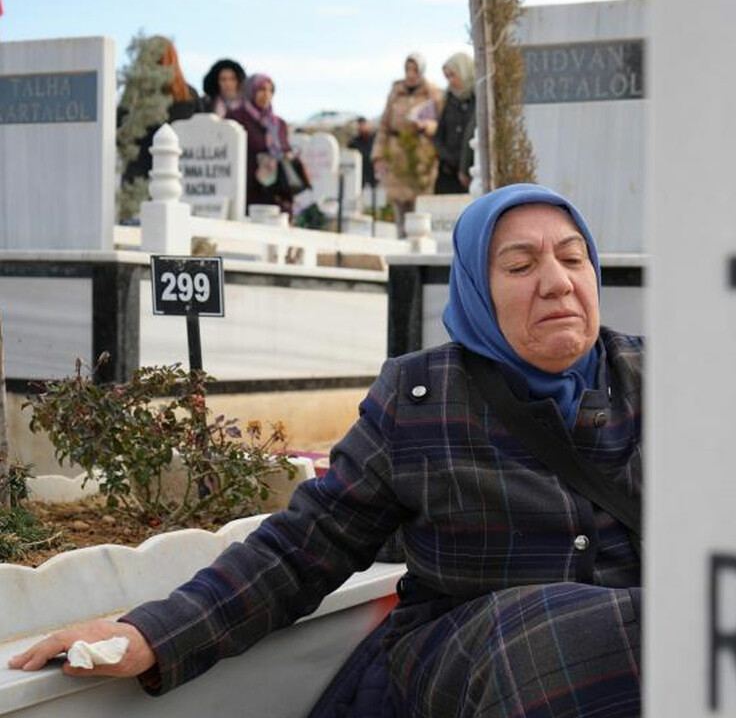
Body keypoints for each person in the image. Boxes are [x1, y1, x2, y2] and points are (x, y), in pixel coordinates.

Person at [8, 184, 644, 718]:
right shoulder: (422, 397)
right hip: (476, 649)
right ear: (477, 287)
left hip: (634, 653)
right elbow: (303, 547)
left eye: (573, 258)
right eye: (521, 265)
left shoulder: (656, 376)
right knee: (556, 638)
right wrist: (151, 631)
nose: (558, 283)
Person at [372, 53, 444, 236]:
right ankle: (401, 237)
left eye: (414, 70)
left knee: (420, 203)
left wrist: (426, 126)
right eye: (407, 70)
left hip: (421, 154)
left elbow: (442, 125)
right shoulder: (396, 93)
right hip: (397, 154)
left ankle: (420, 241)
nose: (410, 74)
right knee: (399, 202)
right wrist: (378, 155)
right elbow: (384, 126)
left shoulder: (432, 92)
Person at [119, 37, 203, 186]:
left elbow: (121, 131)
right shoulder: (189, 96)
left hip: (140, 178)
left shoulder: (135, 95)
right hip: (180, 177)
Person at [227, 73, 310, 220]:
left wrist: (286, 156)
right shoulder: (236, 117)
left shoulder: (278, 124)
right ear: (250, 91)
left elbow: (284, 150)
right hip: (249, 191)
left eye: (270, 90)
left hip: (277, 193)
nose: (266, 94)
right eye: (261, 89)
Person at [434, 52, 476, 195]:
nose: (450, 81)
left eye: (453, 75)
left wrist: (464, 166)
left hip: (470, 173)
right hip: (447, 173)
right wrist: (447, 157)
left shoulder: (478, 100)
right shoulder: (448, 100)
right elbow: (438, 136)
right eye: (447, 77)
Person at [348, 116, 376, 189]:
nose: (361, 127)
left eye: (363, 124)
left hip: (374, 175)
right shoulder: (354, 142)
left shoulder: (375, 139)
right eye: (359, 125)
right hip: (361, 177)